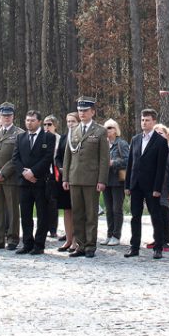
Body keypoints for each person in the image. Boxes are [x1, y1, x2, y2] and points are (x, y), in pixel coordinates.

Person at [62, 96, 109, 258]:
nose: (82, 113)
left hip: (91, 178)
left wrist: (102, 180)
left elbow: (104, 158)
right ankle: (80, 245)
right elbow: (68, 156)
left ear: (93, 112)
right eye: (80, 110)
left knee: (90, 214)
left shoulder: (100, 131)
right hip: (74, 178)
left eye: (85, 110)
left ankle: (90, 245)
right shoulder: (73, 130)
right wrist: (65, 178)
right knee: (78, 213)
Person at [124, 109, 169, 259]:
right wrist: (127, 185)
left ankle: (158, 247)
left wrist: (157, 188)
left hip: (151, 186)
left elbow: (161, 167)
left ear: (154, 121)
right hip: (136, 184)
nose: (144, 123)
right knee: (135, 216)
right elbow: (131, 163)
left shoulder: (161, 141)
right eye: (143, 120)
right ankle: (134, 247)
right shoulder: (135, 139)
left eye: (147, 120)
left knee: (155, 216)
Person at [13, 110, 55, 255]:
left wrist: (33, 172)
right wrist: (24, 173)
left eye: (32, 120)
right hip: (24, 183)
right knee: (25, 214)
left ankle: (39, 245)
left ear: (38, 122)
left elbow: (48, 157)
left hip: (41, 181)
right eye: (27, 120)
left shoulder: (48, 137)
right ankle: (27, 243)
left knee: (42, 214)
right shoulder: (20, 137)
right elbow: (15, 158)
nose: (29, 123)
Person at [0, 102, 24, 250]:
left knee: (12, 209)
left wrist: (3, 172)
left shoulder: (19, 133)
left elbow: (17, 157)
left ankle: (13, 239)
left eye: (9, 115)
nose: (6, 117)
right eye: (4, 115)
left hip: (10, 178)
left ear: (13, 116)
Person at [101, 118, 129, 247]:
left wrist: (113, 162)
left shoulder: (121, 143)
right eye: (106, 128)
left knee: (116, 209)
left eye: (110, 128)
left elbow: (128, 160)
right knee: (108, 209)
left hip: (118, 181)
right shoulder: (103, 144)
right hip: (106, 180)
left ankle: (116, 235)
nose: (107, 130)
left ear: (115, 130)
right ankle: (109, 234)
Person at [55, 113, 79, 252]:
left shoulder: (80, 137)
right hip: (64, 178)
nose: (70, 124)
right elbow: (58, 157)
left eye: (73, 121)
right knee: (67, 210)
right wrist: (60, 168)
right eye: (68, 121)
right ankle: (68, 239)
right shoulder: (64, 138)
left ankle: (77, 240)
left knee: (76, 209)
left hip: (76, 177)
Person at [153, 123, 169, 251]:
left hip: (165, 188)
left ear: (166, 135)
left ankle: (166, 240)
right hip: (153, 188)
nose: (158, 135)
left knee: (164, 214)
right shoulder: (151, 149)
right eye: (155, 133)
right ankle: (157, 238)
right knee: (155, 214)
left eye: (161, 133)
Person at [43, 115, 62, 238]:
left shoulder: (59, 139)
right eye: (44, 124)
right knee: (42, 202)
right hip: (43, 173)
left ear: (55, 125)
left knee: (53, 203)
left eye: (49, 124)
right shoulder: (40, 137)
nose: (46, 127)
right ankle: (43, 228)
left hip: (56, 173)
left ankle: (53, 229)